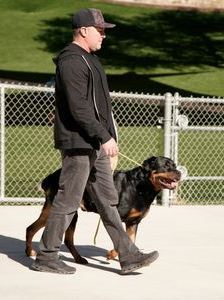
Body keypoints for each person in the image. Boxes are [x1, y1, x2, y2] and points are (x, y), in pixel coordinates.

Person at [30, 8, 159, 275]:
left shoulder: (89, 59)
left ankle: (128, 255)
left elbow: (99, 106)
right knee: (68, 199)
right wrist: (103, 136)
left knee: (108, 200)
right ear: (84, 30)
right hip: (80, 142)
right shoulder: (71, 61)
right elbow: (79, 107)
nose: (103, 35)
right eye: (100, 30)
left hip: (96, 142)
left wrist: (109, 137)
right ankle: (46, 256)